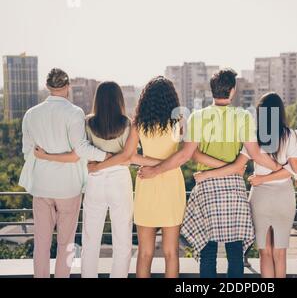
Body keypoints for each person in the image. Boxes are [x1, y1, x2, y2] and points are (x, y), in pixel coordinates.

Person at [137, 69, 282, 278]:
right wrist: (279, 168)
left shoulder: (197, 117)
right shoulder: (243, 116)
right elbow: (256, 155)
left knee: (207, 252)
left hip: (206, 188)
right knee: (235, 253)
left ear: (211, 90)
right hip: (233, 187)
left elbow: (190, 154)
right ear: (232, 91)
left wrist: (155, 170)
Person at [194, 92, 297, 278]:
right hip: (284, 198)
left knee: (265, 253)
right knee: (280, 253)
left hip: (260, 198)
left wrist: (206, 174)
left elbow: (237, 167)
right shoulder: (290, 135)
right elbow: (293, 169)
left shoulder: (254, 136)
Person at [34, 81, 150, 278]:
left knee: (90, 240)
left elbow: (80, 151)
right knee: (122, 240)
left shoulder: (87, 122)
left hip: (94, 179)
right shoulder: (127, 124)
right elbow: (128, 157)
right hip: (120, 181)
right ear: (119, 99)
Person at [87, 76, 186, 278]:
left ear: (146, 98)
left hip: (146, 186)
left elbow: (128, 156)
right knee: (171, 252)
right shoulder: (179, 122)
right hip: (172, 185)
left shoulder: (139, 123)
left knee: (144, 253)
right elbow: (182, 156)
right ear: (171, 98)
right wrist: (161, 164)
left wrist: (99, 166)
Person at [19, 68, 108, 278]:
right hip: (69, 188)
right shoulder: (74, 113)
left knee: (41, 242)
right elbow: (80, 152)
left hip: (41, 187)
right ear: (67, 87)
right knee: (66, 244)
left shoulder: (31, 114)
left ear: (48, 87)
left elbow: (27, 153)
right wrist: (110, 156)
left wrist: (46, 156)